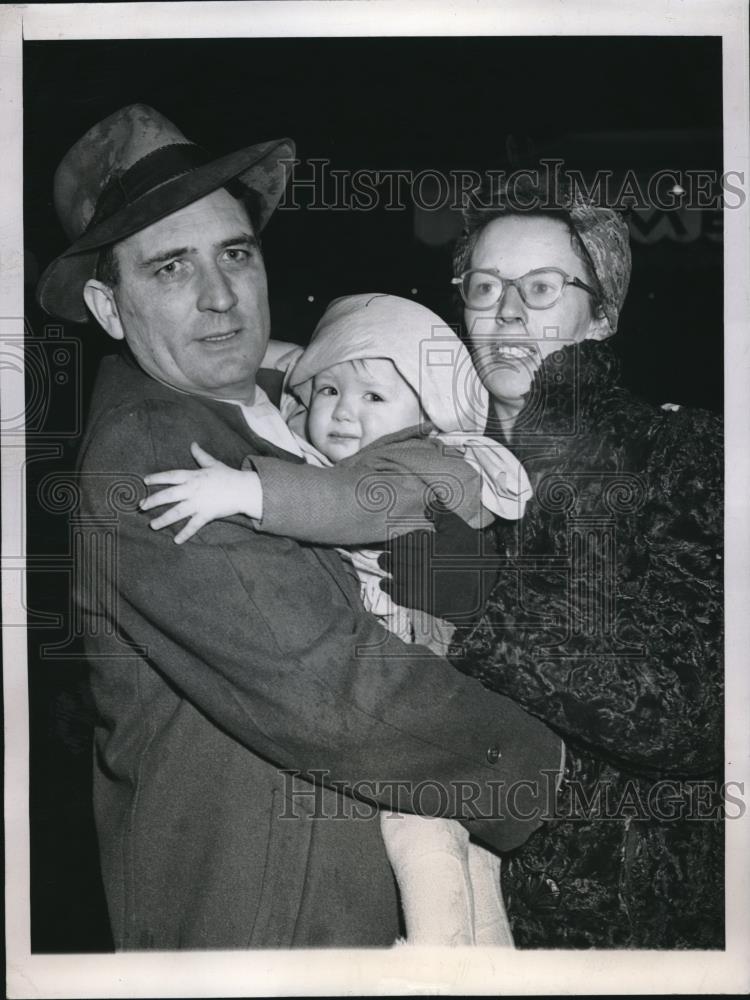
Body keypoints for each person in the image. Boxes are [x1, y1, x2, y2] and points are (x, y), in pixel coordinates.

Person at [35, 105, 564, 949]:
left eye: (235, 253)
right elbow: (330, 690)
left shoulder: (279, 409)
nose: (219, 295)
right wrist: (552, 773)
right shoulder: (153, 452)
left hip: (347, 900)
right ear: (107, 306)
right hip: (269, 922)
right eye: (170, 268)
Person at [383, 173, 724, 948]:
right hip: (458, 910)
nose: (505, 314)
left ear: (600, 316)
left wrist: (489, 608)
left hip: (631, 927)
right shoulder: (435, 467)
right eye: (484, 287)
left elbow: (698, 711)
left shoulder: (680, 452)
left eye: (540, 288)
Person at [139, 291, 533, 946]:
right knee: (470, 856)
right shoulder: (385, 442)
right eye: (328, 392)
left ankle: (441, 971)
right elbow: (289, 369)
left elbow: (349, 501)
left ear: (428, 411)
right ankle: (491, 962)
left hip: (427, 691)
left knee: (417, 830)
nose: (344, 410)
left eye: (374, 396)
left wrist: (246, 490)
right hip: (443, 693)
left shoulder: (422, 468)